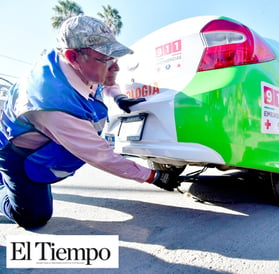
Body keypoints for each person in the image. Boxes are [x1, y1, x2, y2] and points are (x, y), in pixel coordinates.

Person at [0, 15, 179, 229]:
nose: (116, 67)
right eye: (107, 59)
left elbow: (106, 80)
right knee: (34, 216)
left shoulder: (79, 65)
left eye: (115, 57)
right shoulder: (54, 105)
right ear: (73, 57)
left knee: (35, 185)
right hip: (16, 152)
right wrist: (153, 176)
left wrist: (118, 96)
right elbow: (101, 155)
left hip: (40, 142)